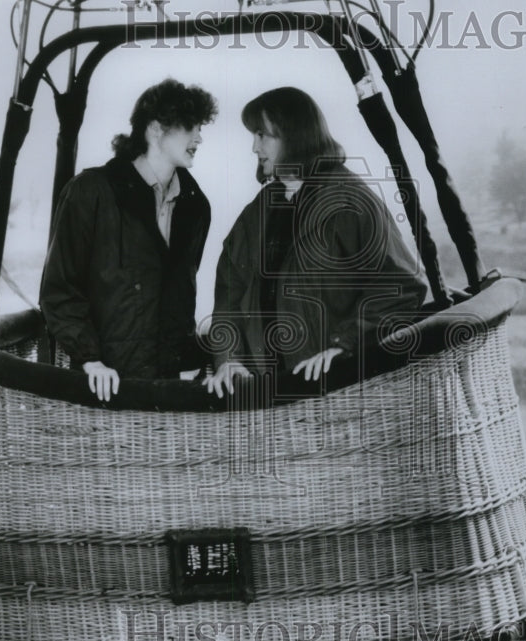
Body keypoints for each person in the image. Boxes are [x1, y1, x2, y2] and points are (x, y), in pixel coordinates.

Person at [205, 86, 427, 398]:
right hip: (270, 400)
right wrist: (228, 360)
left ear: (294, 136)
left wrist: (344, 348)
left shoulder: (351, 202)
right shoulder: (260, 210)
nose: (254, 147)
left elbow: (402, 287)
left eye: (262, 135)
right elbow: (229, 292)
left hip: (337, 395)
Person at [40, 78, 217, 401]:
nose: (200, 138)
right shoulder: (91, 192)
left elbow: (179, 295)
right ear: (155, 128)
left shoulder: (196, 207)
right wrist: (90, 360)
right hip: (104, 386)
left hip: (169, 389)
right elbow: (60, 290)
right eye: (190, 126)